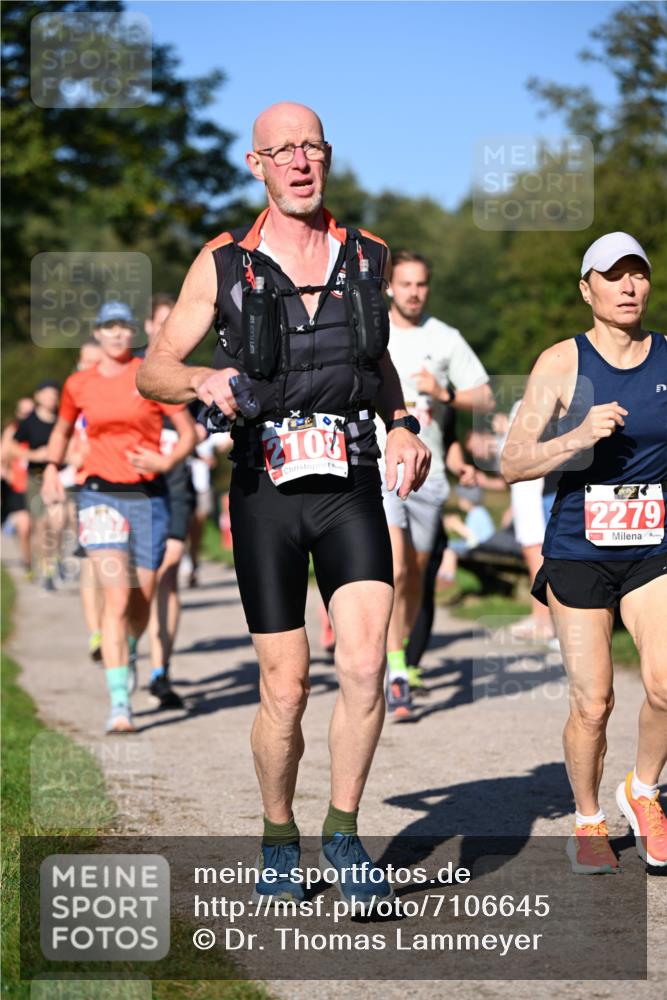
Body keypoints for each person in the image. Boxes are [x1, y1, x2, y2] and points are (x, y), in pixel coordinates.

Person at [137, 101, 430, 907]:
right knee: (286, 686)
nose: (299, 162)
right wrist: (197, 379)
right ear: (255, 164)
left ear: (326, 157)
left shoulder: (366, 255)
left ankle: (342, 829)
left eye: (312, 147)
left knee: (366, 665)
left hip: (351, 483)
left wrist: (402, 423)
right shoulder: (224, 262)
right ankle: (276, 835)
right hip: (264, 489)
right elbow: (153, 370)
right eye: (282, 150)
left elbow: (378, 365)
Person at [501, 232, 667, 872]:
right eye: (613, 275)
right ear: (586, 288)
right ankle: (589, 816)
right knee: (593, 702)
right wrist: (576, 439)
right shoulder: (560, 363)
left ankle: (644, 790)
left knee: (663, 681)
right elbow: (513, 463)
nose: (628, 287)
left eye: (638, 274)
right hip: (578, 550)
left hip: (654, 546)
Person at [41, 301, 196, 733]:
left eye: (124, 328)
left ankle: (127, 649)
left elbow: (188, 434)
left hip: (149, 498)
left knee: (142, 602)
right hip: (99, 495)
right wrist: (52, 467)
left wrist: (166, 464)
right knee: (117, 598)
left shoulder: (149, 377)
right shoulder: (79, 383)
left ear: (134, 334)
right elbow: (62, 429)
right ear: (97, 333)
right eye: (108, 328)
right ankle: (119, 702)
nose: (117, 335)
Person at [376, 251, 493, 716]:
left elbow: (483, 393)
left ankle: (399, 654)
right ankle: (397, 671)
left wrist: (444, 394)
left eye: (421, 284)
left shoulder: (445, 338)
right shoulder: (372, 330)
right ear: (389, 287)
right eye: (404, 283)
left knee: (415, 577)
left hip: (431, 475)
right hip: (381, 470)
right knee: (396, 568)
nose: (413, 292)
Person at [143, 294, 196, 709]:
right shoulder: (127, 372)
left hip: (176, 481)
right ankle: (124, 650)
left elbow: (194, 431)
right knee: (136, 582)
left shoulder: (185, 374)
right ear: (147, 326)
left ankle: (161, 671)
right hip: (131, 486)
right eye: (160, 322)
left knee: (168, 572)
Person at [12, 380, 61, 590]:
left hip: (61, 476)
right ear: (38, 396)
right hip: (36, 478)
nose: (51, 398)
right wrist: (34, 454)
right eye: (47, 394)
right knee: (41, 524)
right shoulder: (29, 422)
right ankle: (47, 567)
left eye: (54, 394)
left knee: (59, 522)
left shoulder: (62, 419)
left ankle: (56, 557)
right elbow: (10, 446)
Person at [1, 397, 34, 572]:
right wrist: (7, 474)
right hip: (19, 487)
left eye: (31, 412)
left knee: (40, 530)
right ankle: (27, 562)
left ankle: (45, 566)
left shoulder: (43, 428)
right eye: (24, 413)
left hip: (37, 487)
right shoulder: (12, 431)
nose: (27, 417)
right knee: (24, 526)